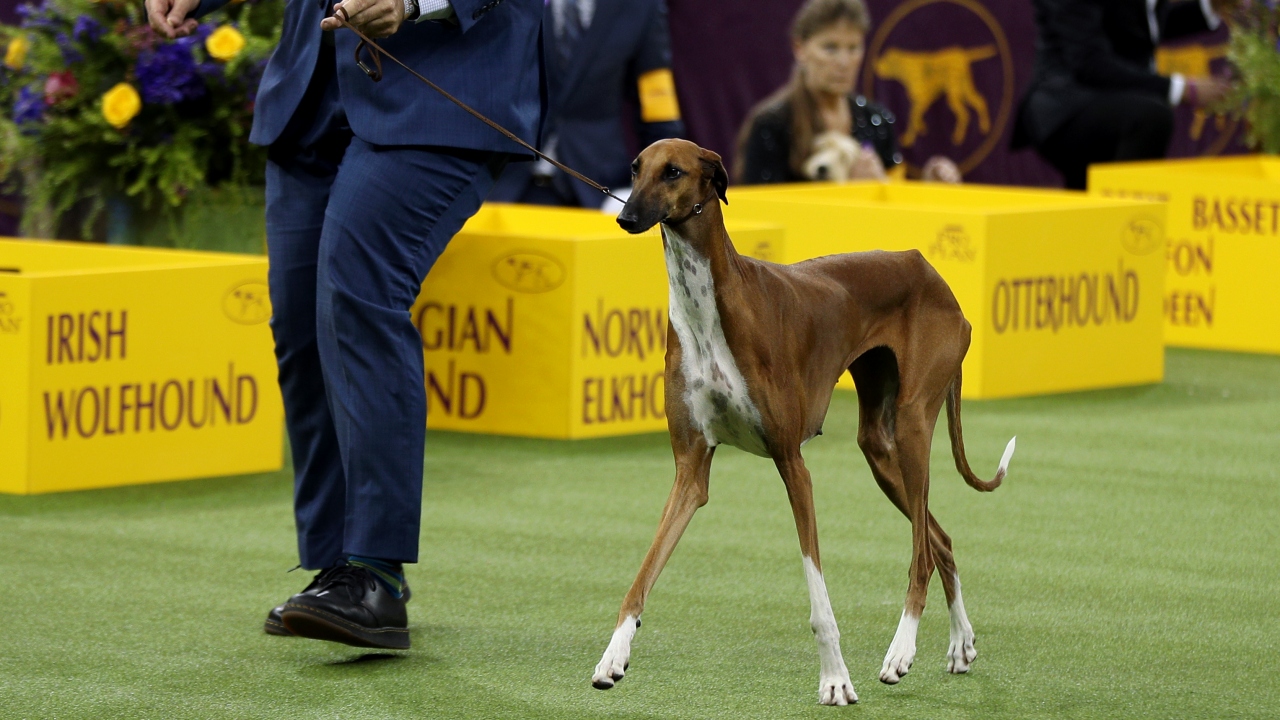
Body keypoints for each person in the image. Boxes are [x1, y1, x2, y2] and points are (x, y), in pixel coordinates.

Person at [145, 0, 544, 649]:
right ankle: (336, 569)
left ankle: (374, 573)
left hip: (442, 83)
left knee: (358, 290)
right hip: (310, 90)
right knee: (301, 324)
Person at [735, 0, 962, 186]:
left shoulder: (877, 120)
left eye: (853, 48)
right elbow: (761, 211)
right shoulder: (771, 124)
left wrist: (930, 188)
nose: (844, 62)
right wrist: (849, 190)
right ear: (799, 49)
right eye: (830, 48)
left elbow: (894, 200)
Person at [1013, 0, 1235, 190]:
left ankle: (1105, 217)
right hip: (1063, 107)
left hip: (1110, 101)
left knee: (1086, 201)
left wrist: (1210, 6)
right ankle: (1128, 220)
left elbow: (1139, 28)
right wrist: (1182, 88)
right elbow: (1088, 63)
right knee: (1150, 118)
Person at [487, 0, 685, 208]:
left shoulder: (641, 5)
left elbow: (657, 103)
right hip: (502, 178)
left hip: (597, 185)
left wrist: (654, 186)